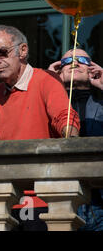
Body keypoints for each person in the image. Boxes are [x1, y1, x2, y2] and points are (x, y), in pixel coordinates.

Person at [0, 25, 80, 140]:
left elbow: (64, 117)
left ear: (23, 51)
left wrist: (72, 140)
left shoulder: (46, 80)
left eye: (2, 52)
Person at [48, 49, 103, 231]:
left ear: (92, 69)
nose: (74, 63)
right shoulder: (49, 104)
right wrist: (48, 82)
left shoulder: (101, 105)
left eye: (81, 59)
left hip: (99, 200)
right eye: (67, 61)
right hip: (60, 197)